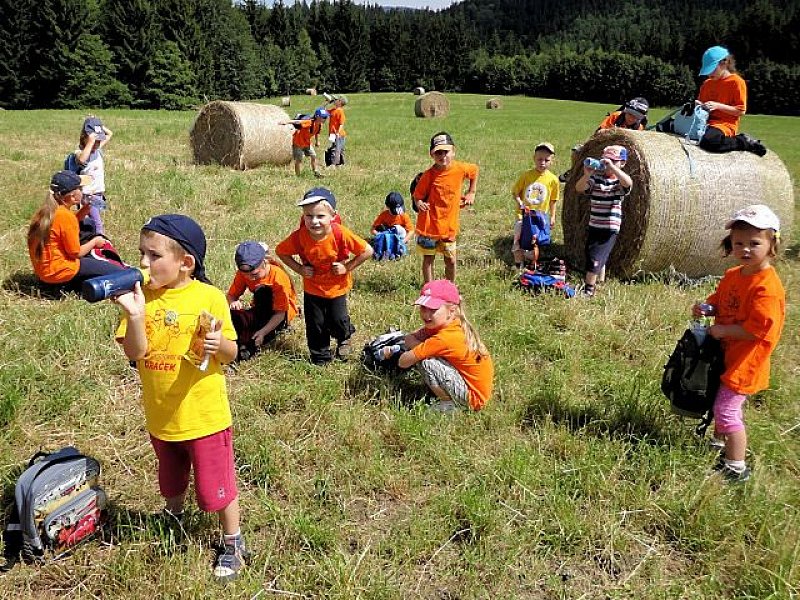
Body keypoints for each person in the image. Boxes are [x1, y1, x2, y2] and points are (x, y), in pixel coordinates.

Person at [113, 214, 249, 582]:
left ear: (185, 262)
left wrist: (219, 345)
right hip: (161, 415)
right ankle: (173, 515)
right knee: (170, 478)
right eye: (141, 254)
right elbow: (134, 353)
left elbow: (232, 352)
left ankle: (233, 540)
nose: (143, 263)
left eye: (154, 255)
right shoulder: (142, 298)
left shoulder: (209, 297)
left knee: (215, 487)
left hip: (204, 418)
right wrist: (135, 315)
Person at [691, 204, 785, 482]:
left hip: (746, 361)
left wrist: (722, 330)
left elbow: (759, 330)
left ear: (772, 245)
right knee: (718, 401)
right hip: (727, 354)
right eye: (738, 243)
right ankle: (718, 443)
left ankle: (735, 467)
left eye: (754, 243)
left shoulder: (767, 287)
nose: (745, 249)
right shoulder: (734, 275)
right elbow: (720, 301)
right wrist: (708, 308)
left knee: (727, 410)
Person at [275, 187, 372, 365]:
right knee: (315, 324)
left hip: (337, 287)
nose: (314, 221)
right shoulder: (300, 236)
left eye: (320, 216)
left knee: (338, 319)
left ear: (333, 216)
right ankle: (320, 356)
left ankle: (344, 338)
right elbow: (281, 251)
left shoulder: (340, 233)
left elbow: (367, 250)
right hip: (313, 288)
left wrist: (347, 267)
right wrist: (299, 269)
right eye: (309, 216)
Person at [376, 280, 493, 413]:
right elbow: (409, 337)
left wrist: (418, 348)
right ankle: (448, 394)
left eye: (433, 309)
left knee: (425, 361)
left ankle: (450, 403)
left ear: (451, 311)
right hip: (473, 390)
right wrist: (418, 345)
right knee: (423, 353)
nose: (426, 314)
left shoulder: (444, 338)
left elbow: (403, 362)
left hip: (472, 399)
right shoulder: (449, 324)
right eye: (423, 307)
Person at [28, 170, 126, 291]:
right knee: (119, 273)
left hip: (44, 273)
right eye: (80, 188)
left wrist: (85, 209)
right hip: (60, 272)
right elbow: (76, 253)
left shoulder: (47, 212)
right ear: (72, 197)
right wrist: (95, 241)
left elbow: (67, 225)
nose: (84, 191)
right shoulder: (65, 216)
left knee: (87, 223)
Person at [411, 132, 479, 283]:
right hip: (429, 226)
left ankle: (450, 287)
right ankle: (429, 289)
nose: (443, 156)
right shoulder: (429, 175)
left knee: (451, 260)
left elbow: (474, 170)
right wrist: (419, 203)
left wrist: (471, 192)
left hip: (448, 227)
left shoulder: (460, 169)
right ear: (432, 155)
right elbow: (417, 196)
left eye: (446, 151)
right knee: (428, 260)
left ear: (453, 151)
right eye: (438, 152)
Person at [574, 145, 633, 297]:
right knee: (593, 253)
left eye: (613, 161)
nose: (607, 165)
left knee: (596, 256)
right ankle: (600, 281)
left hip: (609, 227)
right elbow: (579, 188)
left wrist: (613, 168)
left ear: (623, 163)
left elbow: (628, 183)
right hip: (594, 224)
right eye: (606, 161)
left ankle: (589, 289)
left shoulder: (618, 184)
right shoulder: (596, 179)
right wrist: (587, 175)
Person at [226, 240, 299, 361]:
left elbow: (280, 313)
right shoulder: (245, 273)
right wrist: (233, 302)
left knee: (263, 291)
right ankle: (239, 344)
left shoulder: (278, 278)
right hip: (259, 310)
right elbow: (231, 295)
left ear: (264, 263)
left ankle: (246, 348)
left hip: (280, 316)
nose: (250, 278)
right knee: (234, 317)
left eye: (254, 274)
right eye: (245, 275)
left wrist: (263, 332)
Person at [696, 45, 766, 156]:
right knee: (671, 125)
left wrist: (718, 106)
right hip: (705, 122)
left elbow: (741, 111)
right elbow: (702, 105)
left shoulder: (736, 82)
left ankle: (743, 141)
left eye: (712, 69)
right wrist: (699, 105)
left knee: (710, 142)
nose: (709, 74)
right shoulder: (707, 84)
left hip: (724, 125)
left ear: (724, 63)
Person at [561, 98, 649, 183]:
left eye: (636, 117)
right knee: (577, 151)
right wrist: (615, 133)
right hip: (604, 143)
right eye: (630, 114)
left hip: (621, 153)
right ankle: (574, 170)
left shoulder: (639, 127)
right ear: (625, 111)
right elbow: (600, 131)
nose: (631, 118)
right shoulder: (616, 116)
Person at [510, 142, 560, 268]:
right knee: (519, 239)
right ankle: (518, 263)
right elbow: (515, 192)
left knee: (536, 241)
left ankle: (531, 262)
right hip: (523, 216)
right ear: (534, 158)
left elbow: (553, 200)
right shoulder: (527, 175)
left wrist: (552, 216)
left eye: (546, 160)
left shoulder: (553, 179)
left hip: (540, 216)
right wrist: (520, 203)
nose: (542, 162)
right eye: (539, 159)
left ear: (552, 161)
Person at [66, 116, 113, 235]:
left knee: (88, 221)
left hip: (98, 193)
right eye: (95, 140)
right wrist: (91, 141)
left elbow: (109, 134)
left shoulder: (97, 150)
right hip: (88, 195)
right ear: (85, 137)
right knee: (97, 224)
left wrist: (97, 125)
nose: (97, 144)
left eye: (99, 141)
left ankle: (80, 235)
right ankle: (100, 239)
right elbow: (82, 160)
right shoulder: (79, 153)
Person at [279, 108, 329, 177]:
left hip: (307, 143)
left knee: (313, 155)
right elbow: (298, 122)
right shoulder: (309, 122)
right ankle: (298, 176)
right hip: (298, 142)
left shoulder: (319, 125)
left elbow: (317, 133)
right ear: (317, 117)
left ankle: (315, 172)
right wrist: (286, 122)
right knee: (299, 160)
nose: (325, 119)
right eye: (324, 117)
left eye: (326, 117)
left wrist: (317, 141)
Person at [370, 191, 414, 260]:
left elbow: (411, 231)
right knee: (380, 228)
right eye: (394, 211)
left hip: (399, 237)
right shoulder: (383, 215)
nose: (398, 213)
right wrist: (380, 235)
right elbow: (373, 229)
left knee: (399, 228)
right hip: (386, 234)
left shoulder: (404, 215)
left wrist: (403, 241)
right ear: (387, 207)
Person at [327, 95, 348, 167]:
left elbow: (341, 124)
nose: (334, 100)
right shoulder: (333, 110)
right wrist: (327, 102)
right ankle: (341, 164)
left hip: (338, 134)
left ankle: (333, 164)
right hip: (332, 134)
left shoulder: (340, 111)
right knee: (337, 148)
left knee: (336, 149)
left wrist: (338, 133)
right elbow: (323, 111)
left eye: (335, 99)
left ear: (340, 102)